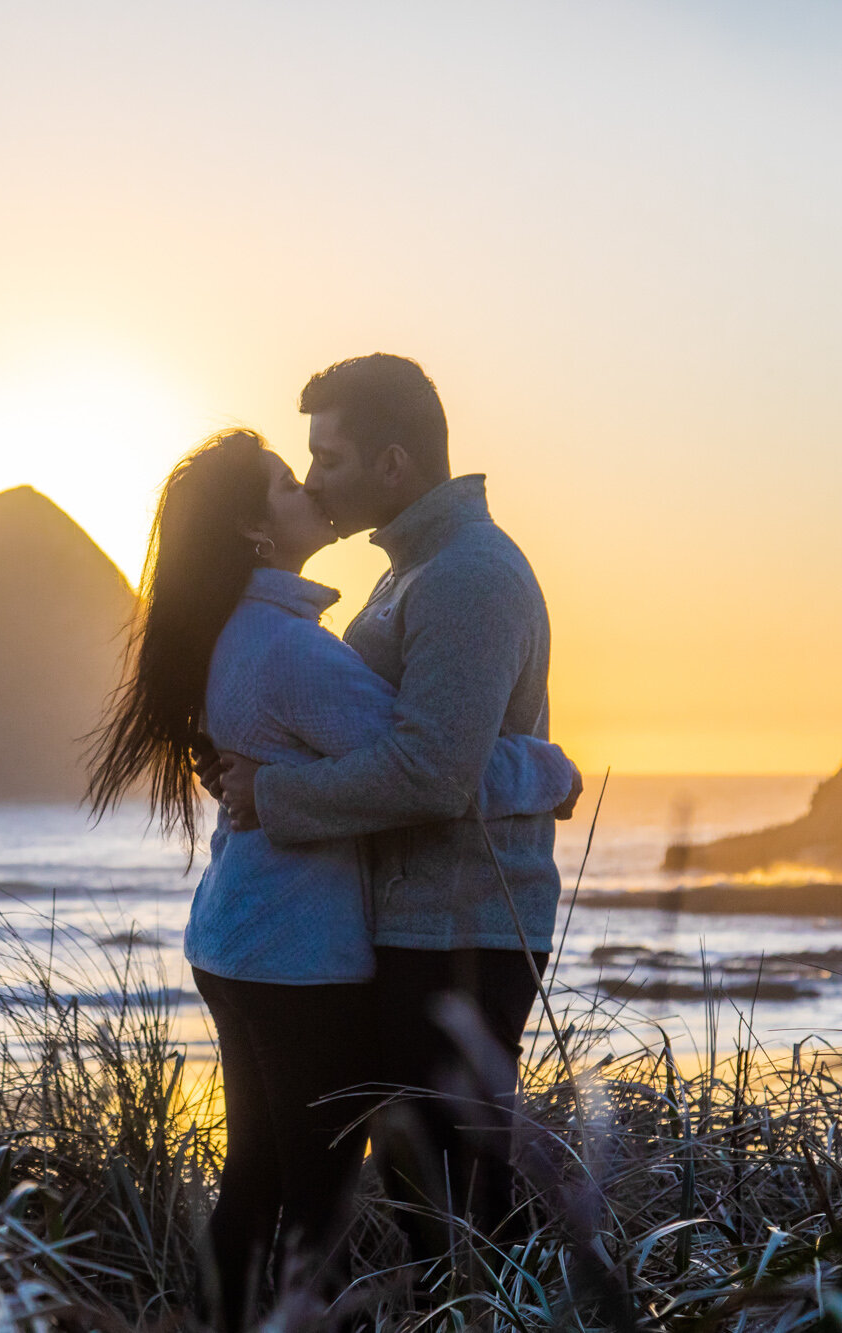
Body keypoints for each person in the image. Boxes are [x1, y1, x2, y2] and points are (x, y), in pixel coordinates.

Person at [86, 428, 577, 1330]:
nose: (310, 486)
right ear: (254, 530)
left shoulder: (244, 631)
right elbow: (429, 770)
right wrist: (548, 770)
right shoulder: (293, 650)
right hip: (294, 957)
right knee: (315, 1198)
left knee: (257, 1178)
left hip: (238, 940)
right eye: (287, 480)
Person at [217, 354, 576, 1265]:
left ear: (393, 463)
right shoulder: (410, 571)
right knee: (431, 1197)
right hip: (416, 927)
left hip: (462, 932)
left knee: (455, 1205)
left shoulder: (467, 576)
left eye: (329, 458)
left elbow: (431, 773)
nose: (314, 480)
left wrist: (272, 793)